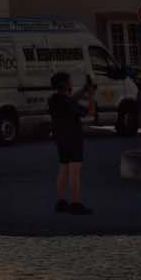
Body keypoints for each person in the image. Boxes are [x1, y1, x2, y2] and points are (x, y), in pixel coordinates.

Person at [47, 72, 87, 215]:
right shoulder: (68, 102)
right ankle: (76, 203)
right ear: (65, 84)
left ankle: (61, 201)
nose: (71, 83)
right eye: (69, 81)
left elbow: (70, 100)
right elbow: (89, 112)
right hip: (73, 138)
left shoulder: (53, 99)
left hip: (60, 138)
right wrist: (92, 95)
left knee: (63, 169)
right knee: (75, 171)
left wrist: (83, 90)